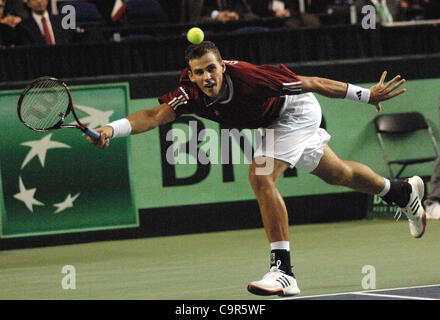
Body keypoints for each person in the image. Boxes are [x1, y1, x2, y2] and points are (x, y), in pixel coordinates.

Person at [87, 41, 426, 297]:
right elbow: (154, 116)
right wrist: (110, 130)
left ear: (222, 67)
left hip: (295, 110)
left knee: (260, 175)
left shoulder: (251, 78)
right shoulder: (188, 94)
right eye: (199, 72)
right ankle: (402, 192)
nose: (207, 77)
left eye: (211, 69)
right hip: (273, 123)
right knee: (338, 174)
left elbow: (312, 82)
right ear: (190, 75)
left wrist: (365, 95)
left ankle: (283, 271)